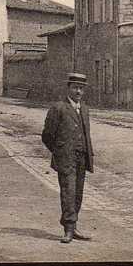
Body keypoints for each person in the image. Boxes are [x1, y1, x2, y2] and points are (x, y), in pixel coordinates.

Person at [42, 73, 95, 244]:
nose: (78, 91)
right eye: (75, 87)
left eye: (81, 88)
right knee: (68, 193)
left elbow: (85, 134)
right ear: (68, 88)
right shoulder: (58, 108)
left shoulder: (85, 109)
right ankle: (69, 230)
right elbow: (47, 136)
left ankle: (73, 225)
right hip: (66, 159)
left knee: (78, 194)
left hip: (82, 159)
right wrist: (60, 152)